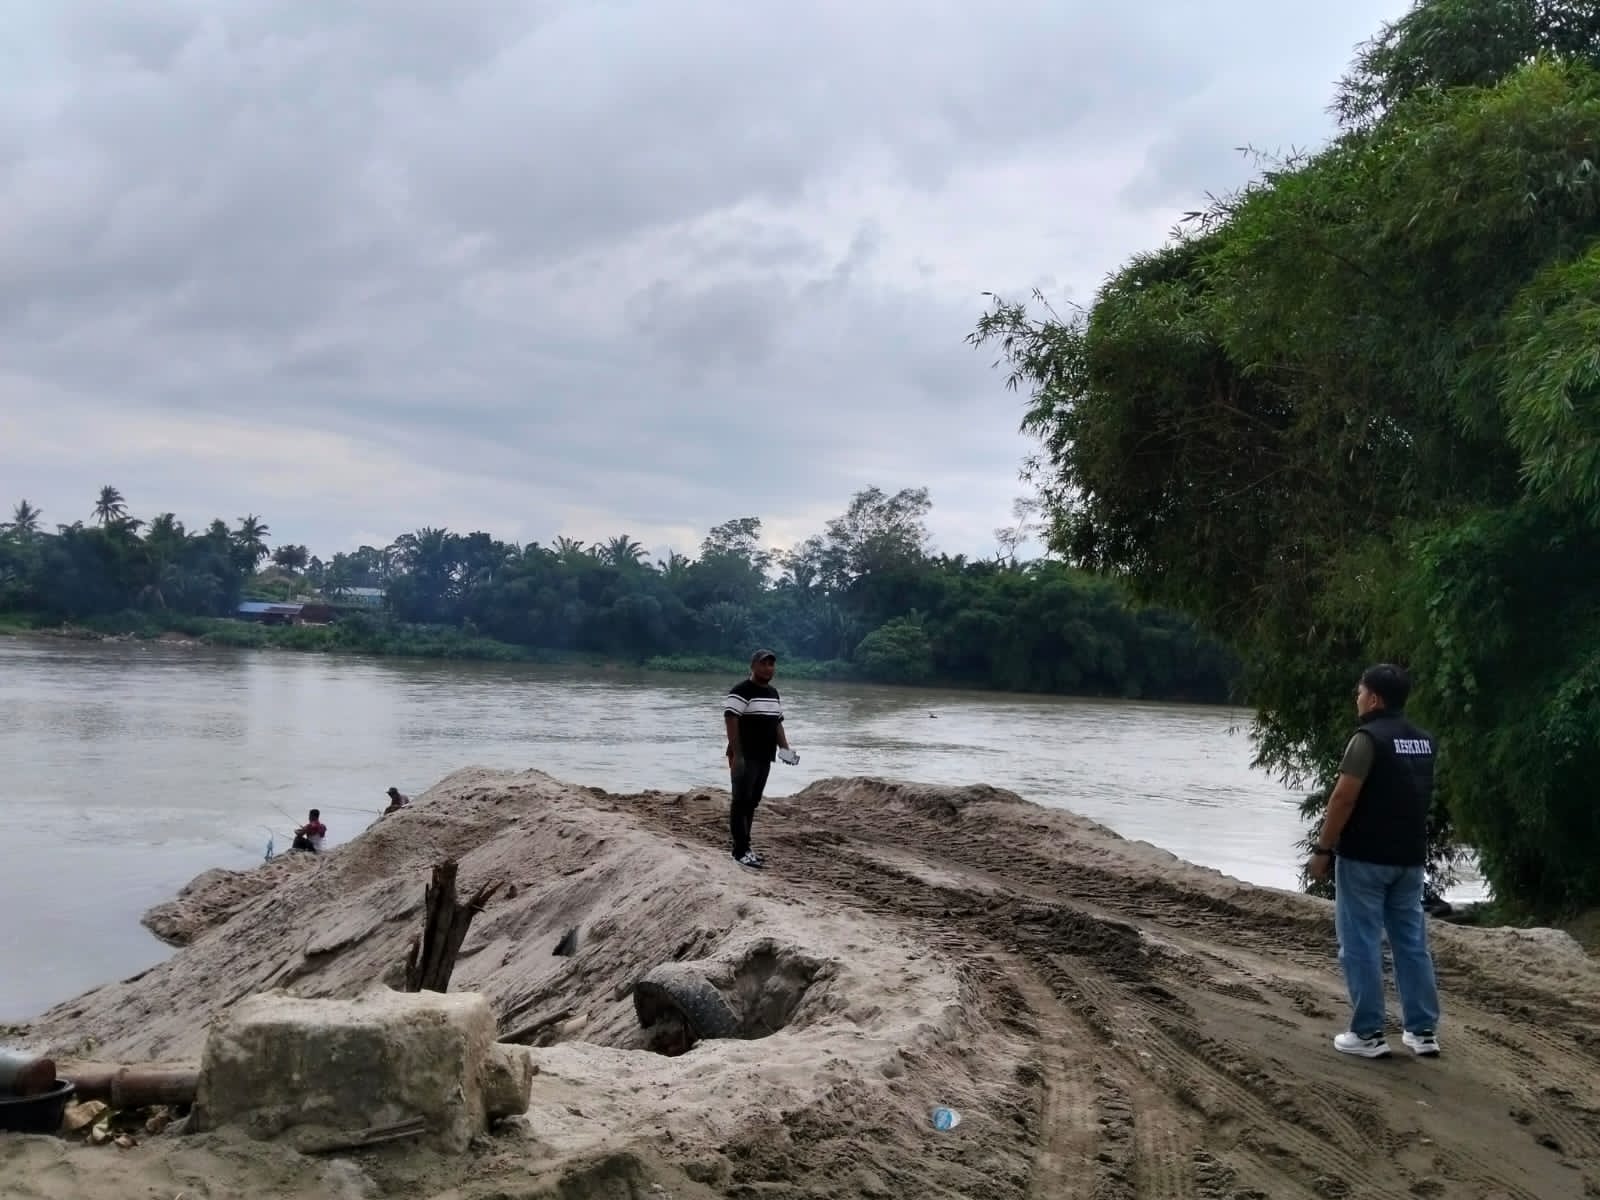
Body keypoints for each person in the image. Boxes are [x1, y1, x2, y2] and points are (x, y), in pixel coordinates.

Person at [1308, 663, 1442, 1060]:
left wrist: (1323, 849)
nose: (1358, 698)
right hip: (1409, 859)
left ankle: (1367, 1034)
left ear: (1375, 699)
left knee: (1360, 943)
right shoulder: (1423, 741)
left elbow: (1343, 797)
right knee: (1411, 944)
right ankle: (1422, 1031)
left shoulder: (1367, 739)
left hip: (1365, 858)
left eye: (1360, 692)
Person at [723, 649, 798, 869]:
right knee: (741, 801)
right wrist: (737, 755)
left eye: (771, 664)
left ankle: (746, 848)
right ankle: (740, 851)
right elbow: (730, 721)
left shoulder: (773, 693)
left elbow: (777, 724)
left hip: (765, 755)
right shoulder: (741, 691)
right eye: (763, 664)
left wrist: (785, 750)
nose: (768, 668)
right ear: (753, 666)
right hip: (745, 755)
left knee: (752, 802)